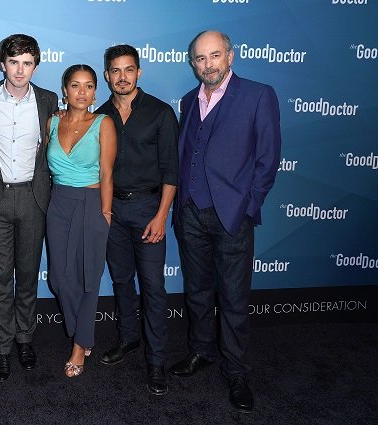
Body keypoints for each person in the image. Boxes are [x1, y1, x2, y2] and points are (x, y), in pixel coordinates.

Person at [170, 30, 281, 413]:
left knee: (233, 299)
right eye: (200, 59)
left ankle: (237, 371)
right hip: (190, 213)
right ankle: (202, 351)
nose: (208, 65)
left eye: (214, 56)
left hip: (232, 215)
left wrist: (248, 206)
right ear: (193, 63)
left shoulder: (258, 94)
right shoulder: (188, 100)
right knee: (197, 291)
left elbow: (268, 160)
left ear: (230, 56)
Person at [96, 45, 179, 396]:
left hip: (149, 209)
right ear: (106, 75)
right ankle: (128, 339)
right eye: (115, 71)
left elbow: (171, 171)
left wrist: (162, 216)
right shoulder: (99, 116)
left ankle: (156, 360)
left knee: (154, 288)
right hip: (113, 211)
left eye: (128, 69)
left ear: (139, 72)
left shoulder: (160, 112)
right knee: (121, 281)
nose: (122, 77)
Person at [0, 34, 58, 381]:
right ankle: (2, 346)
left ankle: (25, 338)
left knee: (27, 275)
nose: (20, 70)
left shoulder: (48, 100)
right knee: (0, 277)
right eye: (14, 62)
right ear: (2, 64)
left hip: (33, 197)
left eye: (27, 63)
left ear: (36, 65)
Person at [46, 65, 116, 377]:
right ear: (65, 90)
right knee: (59, 278)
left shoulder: (103, 123)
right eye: (75, 85)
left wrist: (105, 213)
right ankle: (82, 331)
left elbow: (107, 173)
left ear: (95, 92)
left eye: (88, 86)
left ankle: (80, 344)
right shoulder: (52, 122)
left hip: (91, 203)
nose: (82, 92)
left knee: (89, 276)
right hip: (59, 202)